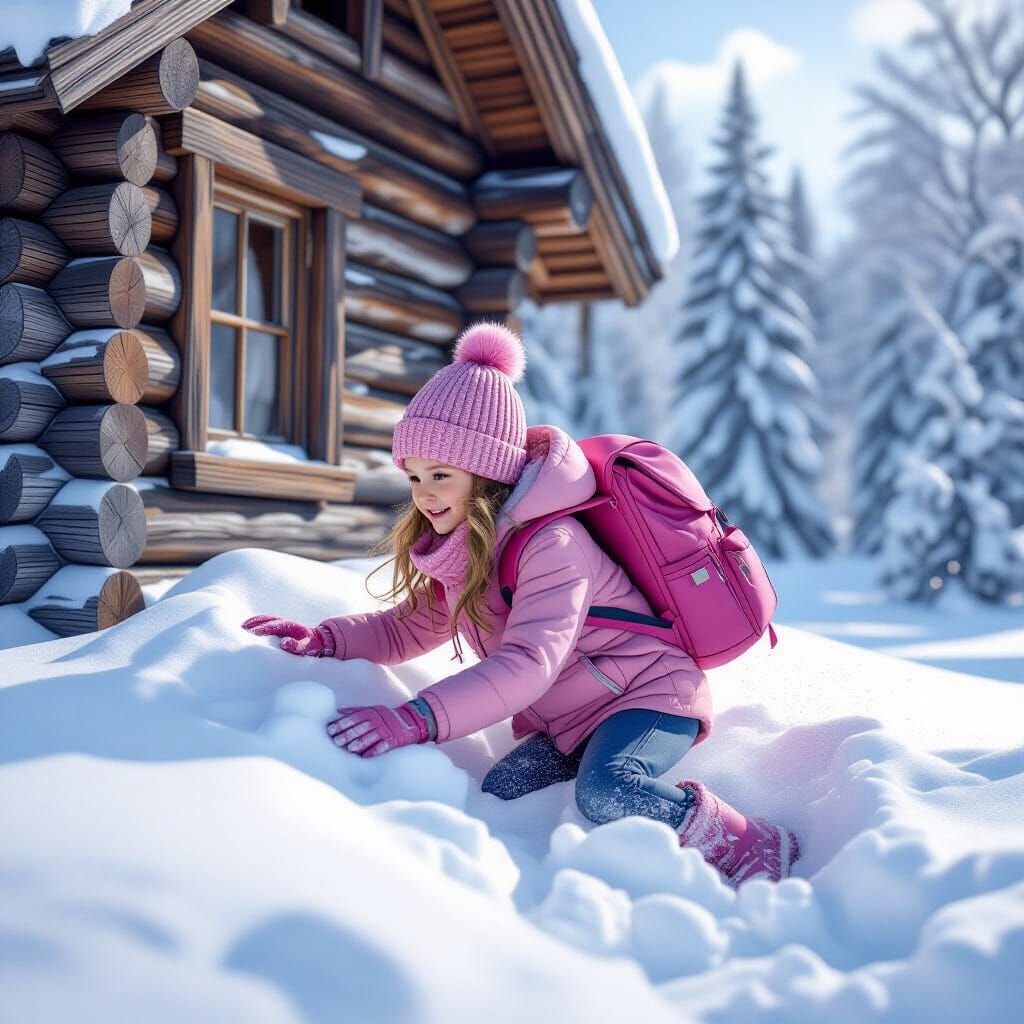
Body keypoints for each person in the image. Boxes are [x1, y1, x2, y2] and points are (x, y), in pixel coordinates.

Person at [242, 321, 800, 887]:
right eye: (413, 477)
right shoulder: (471, 546)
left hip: (651, 695)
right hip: (574, 719)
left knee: (608, 788)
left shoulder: (552, 546)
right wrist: (329, 639)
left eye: (441, 475)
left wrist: (414, 720)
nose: (424, 494)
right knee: (501, 795)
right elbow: (409, 630)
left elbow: (528, 666)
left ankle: (748, 845)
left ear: (486, 474)